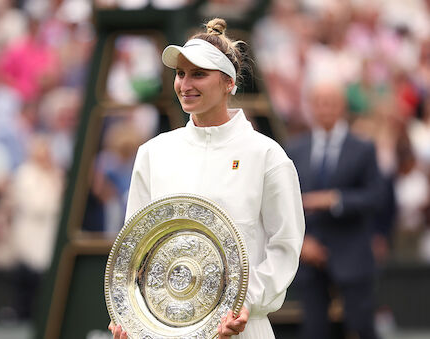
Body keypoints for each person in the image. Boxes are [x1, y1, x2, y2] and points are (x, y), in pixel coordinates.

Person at [109, 18, 305, 339]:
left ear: (229, 82)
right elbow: (136, 249)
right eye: (180, 74)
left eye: (198, 74)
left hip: (242, 329)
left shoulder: (267, 156)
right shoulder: (153, 153)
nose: (185, 84)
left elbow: (285, 244)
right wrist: (132, 316)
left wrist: (243, 304)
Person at [286, 78, 382, 339]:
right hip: (309, 253)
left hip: (352, 252)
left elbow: (375, 197)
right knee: (314, 328)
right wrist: (301, 242)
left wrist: (336, 199)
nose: (324, 108)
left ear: (342, 107)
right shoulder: (295, 149)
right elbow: (284, 203)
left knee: (361, 325)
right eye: (318, 103)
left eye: (331, 102)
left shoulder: (363, 148)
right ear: (310, 107)